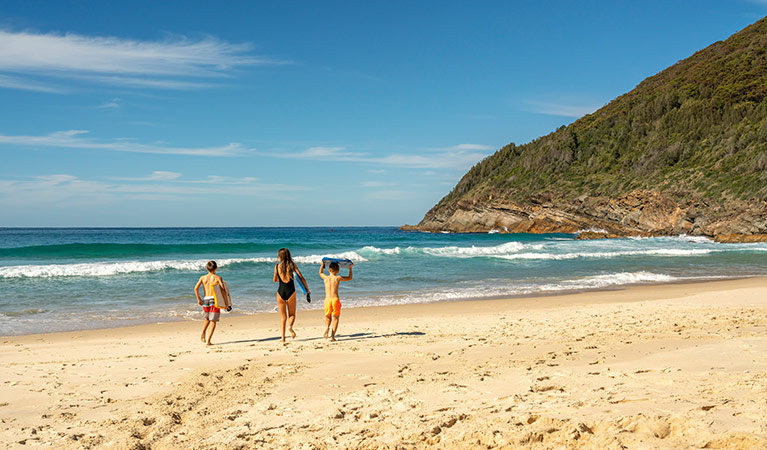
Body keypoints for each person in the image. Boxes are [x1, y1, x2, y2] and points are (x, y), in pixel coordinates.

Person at [273, 248, 309, 343]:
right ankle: (290, 327)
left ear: (279, 257)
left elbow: (275, 280)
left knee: (282, 317)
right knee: (292, 314)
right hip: (291, 292)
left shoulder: (277, 267)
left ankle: (283, 338)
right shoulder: (292, 265)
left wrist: (281, 279)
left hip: (280, 292)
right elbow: (301, 277)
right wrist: (307, 290)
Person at [194, 260, 228, 346]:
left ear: (206, 268)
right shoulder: (218, 278)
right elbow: (223, 290)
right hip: (214, 300)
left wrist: (199, 299)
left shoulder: (202, 278)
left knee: (207, 318)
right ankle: (208, 340)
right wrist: (226, 302)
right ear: (216, 268)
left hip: (205, 300)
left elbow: (196, 288)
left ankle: (203, 332)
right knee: (213, 320)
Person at [319, 260, 353, 341]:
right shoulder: (338, 278)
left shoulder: (326, 278)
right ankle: (332, 336)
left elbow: (320, 273)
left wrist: (322, 265)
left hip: (327, 300)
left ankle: (327, 328)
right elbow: (349, 278)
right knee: (336, 318)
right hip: (335, 300)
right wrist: (350, 268)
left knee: (327, 317)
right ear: (338, 271)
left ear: (329, 270)